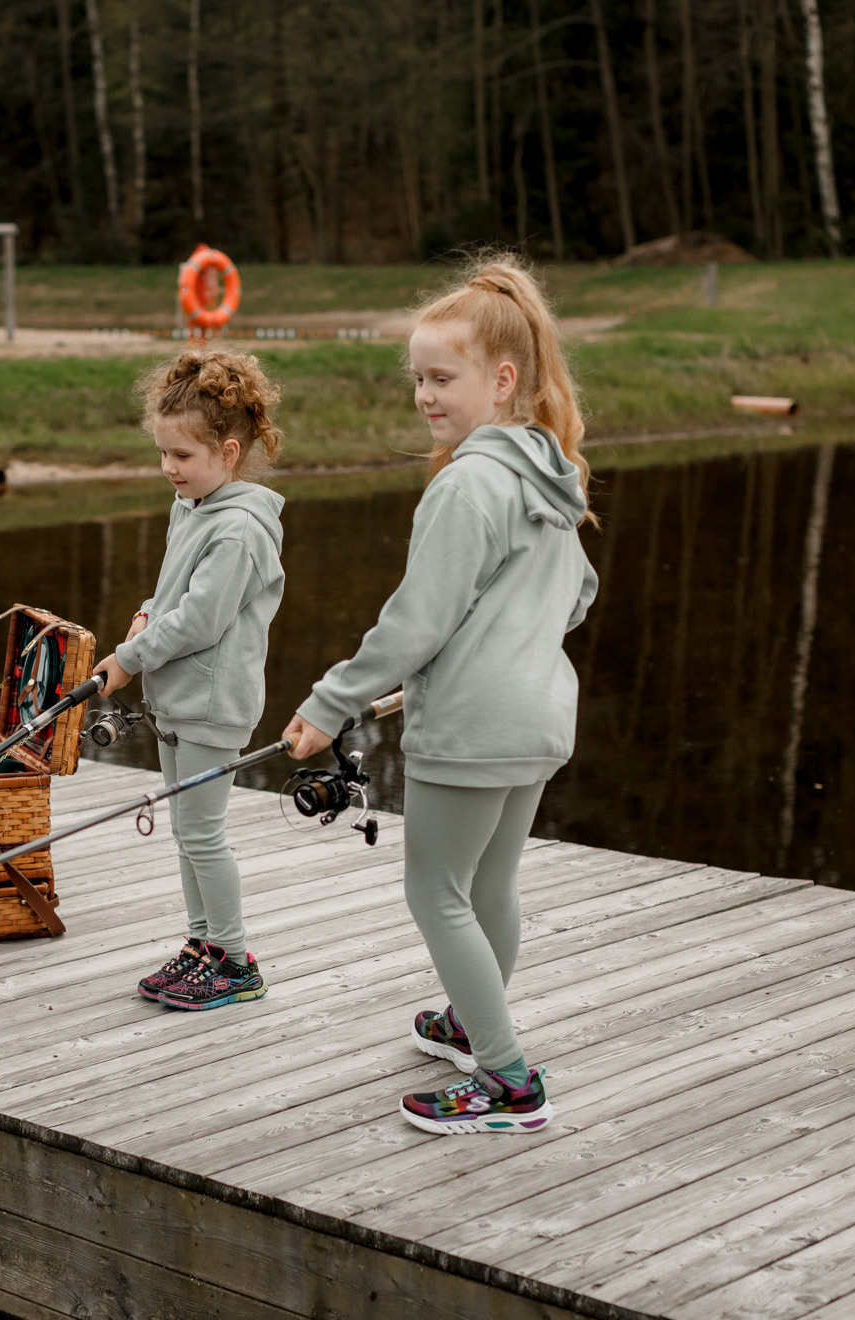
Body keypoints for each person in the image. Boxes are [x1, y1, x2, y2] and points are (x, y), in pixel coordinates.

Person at [281, 255, 599, 1135]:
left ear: (502, 381)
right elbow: (577, 597)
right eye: (417, 378)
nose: (425, 395)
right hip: (538, 718)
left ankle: (506, 1080)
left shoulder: (466, 482)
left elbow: (415, 624)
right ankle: (469, 1023)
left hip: (472, 726)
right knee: (489, 884)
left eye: (442, 378)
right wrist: (506, 633)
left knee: (436, 893)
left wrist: (331, 701)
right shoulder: (550, 474)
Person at [92, 349, 286, 1010]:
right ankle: (202, 946)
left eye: (182, 455)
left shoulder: (239, 532)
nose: (169, 468)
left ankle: (234, 961)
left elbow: (201, 621)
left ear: (228, 453)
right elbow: (176, 592)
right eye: (163, 454)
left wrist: (129, 657)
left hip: (212, 703)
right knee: (185, 833)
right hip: (177, 699)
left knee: (204, 834)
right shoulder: (192, 506)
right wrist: (147, 611)